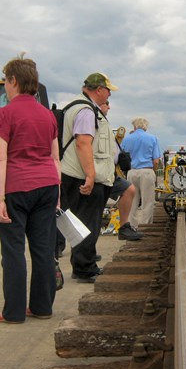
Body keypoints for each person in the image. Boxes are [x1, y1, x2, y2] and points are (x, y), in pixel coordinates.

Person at [0, 55, 61, 323]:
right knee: (43, 250)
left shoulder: (4, 114)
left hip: (15, 188)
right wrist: (57, 194)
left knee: (13, 251)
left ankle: (14, 312)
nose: (5, 87)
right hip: (47, 186)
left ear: (14, 81)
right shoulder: (47, 116)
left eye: (6, 82)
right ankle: (42, 308)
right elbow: (54, 158)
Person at [60, 72, 117, 283]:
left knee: (84, 223)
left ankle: (83, 263)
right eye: (108, 90)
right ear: (99, 90)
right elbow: (83, 143)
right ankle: (85, 268)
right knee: (88, 223)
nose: (110, 94)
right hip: (83, 176)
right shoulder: (86, 111)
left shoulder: (82, 107)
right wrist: (90, 175)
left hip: (77, 174)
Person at [98, 100, 144, 241]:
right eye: (106, 104)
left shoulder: (104, 122)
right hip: (98, 170)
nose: (109, 106)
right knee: (146, 202)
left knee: (129, 189)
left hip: (111, 171)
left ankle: (125, 227)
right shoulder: (92, 120)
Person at [121, 117, 161, 227]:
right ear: (145, 127)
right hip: (147, 171)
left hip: (132, 171)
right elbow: (156, 160)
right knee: (147, 202)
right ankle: (145, 226)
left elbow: (122, 156)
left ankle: (132, 226)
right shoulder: (153, 138)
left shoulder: (127, 139)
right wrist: (153, 170)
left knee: (132, 202)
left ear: (134, 126)